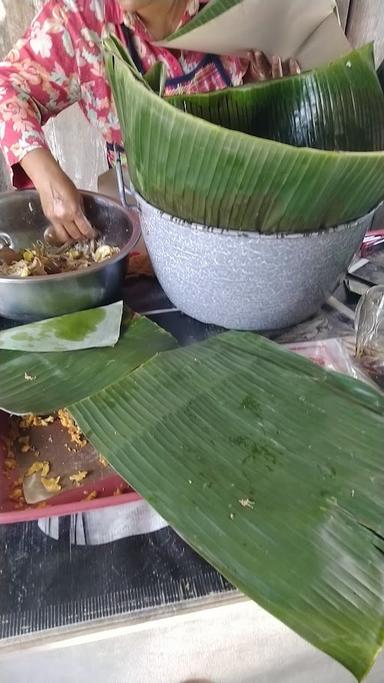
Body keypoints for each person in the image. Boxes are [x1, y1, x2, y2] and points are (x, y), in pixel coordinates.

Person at [0, 0, 300, 244]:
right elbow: (8, 88)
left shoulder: (249, 9)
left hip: (244, 223)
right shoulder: (79, 16)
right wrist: (46, 177)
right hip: (143, 228)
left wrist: (272, 96)